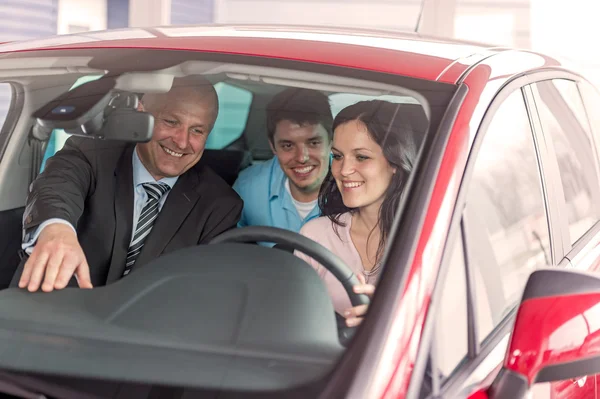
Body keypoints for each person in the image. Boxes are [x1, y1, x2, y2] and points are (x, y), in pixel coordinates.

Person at [13, 76, 243, 292]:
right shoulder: (91, 153)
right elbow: (56, 185)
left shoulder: (220, 205)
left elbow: (204, 290)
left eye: (197, 130)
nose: (182, 141)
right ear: (141, 113)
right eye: (171, 121)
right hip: (56, 314)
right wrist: (55, 228)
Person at [296, 100, 423, 327]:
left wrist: (395, 315)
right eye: (337, 156)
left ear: (395, 161)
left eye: (361, 157)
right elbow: (294, 322)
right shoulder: (315, 236)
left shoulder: (429, 239)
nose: (344, 170)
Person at [232, 88, 332, 232]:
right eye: (288, 145)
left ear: (331, 140)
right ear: (273, 146)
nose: (302, 158)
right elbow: (227, 246)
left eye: (313, 143)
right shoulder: (248, 187)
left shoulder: (357, 191)